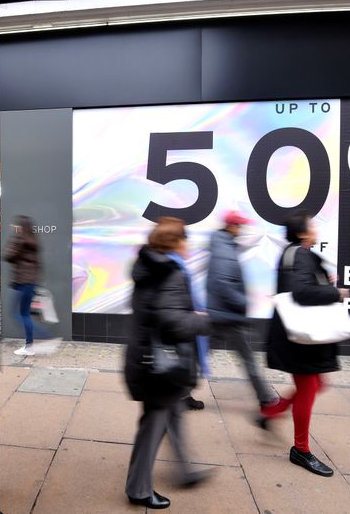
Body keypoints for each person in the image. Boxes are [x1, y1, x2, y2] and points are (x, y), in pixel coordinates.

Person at [124, 217, 212, 509]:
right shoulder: (170, 273)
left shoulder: (149, 267)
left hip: (148, 360)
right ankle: (138, 490)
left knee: (173, 414)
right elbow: (172, 322)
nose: (188, 245)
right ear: (174, 242)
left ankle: (185, 470)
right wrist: (200, 321)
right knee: (153, 425)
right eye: (185, 239)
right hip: (159, 368)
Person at [257, 210, 350, 477]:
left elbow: (301, 286)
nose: (315, 229)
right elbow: (301, 291)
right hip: (299, 338)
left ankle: (271, 413)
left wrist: (324, 282)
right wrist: (335, 292)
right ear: (301, 232)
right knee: (309, 387)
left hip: (298, 336)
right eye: (311, 226)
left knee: (317, 384)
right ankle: (301, 449)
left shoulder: (295, 254)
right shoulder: (299, 254)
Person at [206, 210, 277, 409]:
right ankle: (266, 398)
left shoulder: (223, 245)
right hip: (227, 316)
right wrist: (243, 302)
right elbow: (222, 283)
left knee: (200, 356)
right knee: (248, 360)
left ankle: (181, 393)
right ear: (231, 226)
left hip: (219, 314)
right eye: (240, 226)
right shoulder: (224, 250)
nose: (242, 230)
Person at [4, 215, 40, 356]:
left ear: (21, 227)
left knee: (18, 313)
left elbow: (8, 255)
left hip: (23, 283)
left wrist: (15, 236)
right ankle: (30, 344)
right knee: (24, 314)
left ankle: (32, 343)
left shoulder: (20, 240)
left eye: (17, 225)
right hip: (30, 282)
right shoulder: (33, 241)